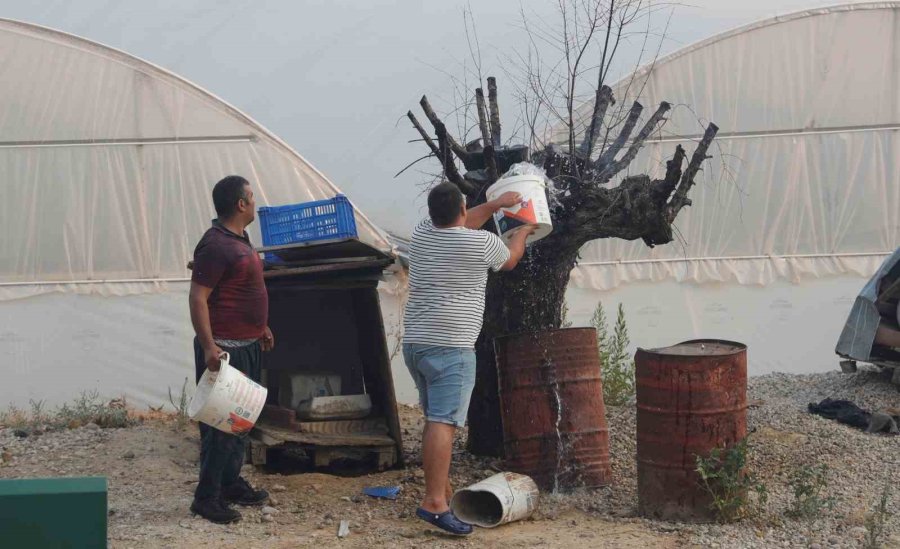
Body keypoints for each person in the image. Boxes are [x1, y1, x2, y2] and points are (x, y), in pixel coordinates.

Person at [402, 182, 535, 535]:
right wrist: (521, 232)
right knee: (443, 422)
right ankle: (434, 503)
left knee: (434, 418)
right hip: (452, 348)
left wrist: (495, 204)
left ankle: (440, 488)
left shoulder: (422, 233)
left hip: (417, 344)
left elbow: (463, 222)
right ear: (461, 210)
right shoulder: (482, 244)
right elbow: (510, 261)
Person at [188, 175, 274, 524]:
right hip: (225, 352)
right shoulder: (216, 246)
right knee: (220, 427)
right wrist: (210, 347)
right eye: (251, 197)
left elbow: (239, 289)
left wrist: (260, 327)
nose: (255, 202)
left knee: (241, 422)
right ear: (240, 204)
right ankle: (206, 498)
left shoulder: (238, 239)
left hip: (247, 343)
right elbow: (198, 297)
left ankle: (230, 482)